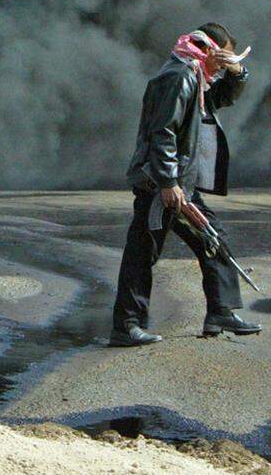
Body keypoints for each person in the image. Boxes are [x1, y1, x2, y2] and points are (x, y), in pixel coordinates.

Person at [110, 23, 262, 347]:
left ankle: (220, 311)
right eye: (220, 60)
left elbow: (221, 97)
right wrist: (168, 182)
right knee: (142, 254)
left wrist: (237, 71)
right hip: (161, 186)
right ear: (208, 50)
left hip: (180, 185)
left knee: (212, 237)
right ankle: (126, 326)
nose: (220, 68)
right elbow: (162, 132)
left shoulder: (195, 76)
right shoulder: (179, 77)